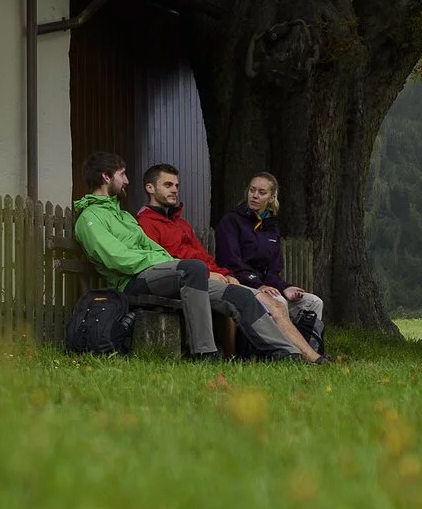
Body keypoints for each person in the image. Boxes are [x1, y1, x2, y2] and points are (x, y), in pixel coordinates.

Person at [71, 152, 314, 361]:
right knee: (193, 268)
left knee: (238, 294)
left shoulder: (122, 216)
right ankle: (205, 353)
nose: (126, 180)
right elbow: (116, 258)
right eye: (122, 174)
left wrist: (166, 261)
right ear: (106, 177)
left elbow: (153, 248)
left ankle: (285, 353)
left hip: (159, 275)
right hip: (131, 281)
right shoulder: (90, 218)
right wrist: (165, 262)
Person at [135, 163, 320, 361]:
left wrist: (225, 274)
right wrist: (209, 273)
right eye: (168, 185)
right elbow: (163, 262)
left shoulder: (181, 223)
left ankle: (300, 353)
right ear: (150, 188)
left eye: (176, 186)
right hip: (188, 281)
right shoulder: (145, 223)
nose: (174, 190)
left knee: (285, 303)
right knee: (267, 303)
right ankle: (300, 355)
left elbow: (204, 256)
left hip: (211, 277)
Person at [214, 171, 326, 353]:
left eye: (261, 192)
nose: (255, 196)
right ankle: (286, 353)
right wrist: (258, 285)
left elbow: (273, 272)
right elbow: (231, 263)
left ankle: (313, 349)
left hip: (265, 287)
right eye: (252, 190)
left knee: (313, 302)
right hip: (239, 284)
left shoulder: (271, 227)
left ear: (272, 197)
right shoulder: (232, 221)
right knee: (278, 300)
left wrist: (286, 287)